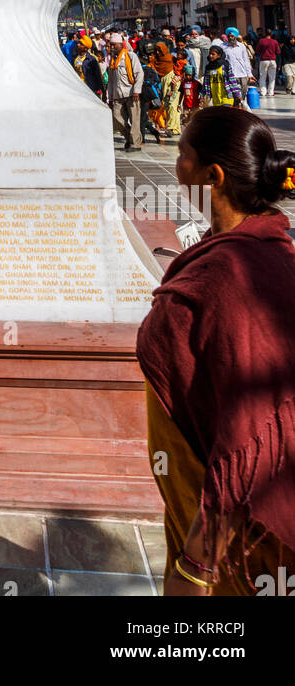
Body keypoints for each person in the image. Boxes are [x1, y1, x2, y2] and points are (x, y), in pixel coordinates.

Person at [137, 108, 295, 595]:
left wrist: (196, 567)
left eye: (182, 153)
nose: (176, 163)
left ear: (213, 175)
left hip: (237, 548)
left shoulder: (229, 278)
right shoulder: (261, 248)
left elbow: (246, 444)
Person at [107, 32, 144, 151]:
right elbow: (112, 80)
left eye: (114, 45)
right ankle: (130, 138)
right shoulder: (113, 60)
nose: (112, 47)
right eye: (110, 45)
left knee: (134, 120)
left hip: (131, 94)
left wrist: (137, 91)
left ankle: (135, 144)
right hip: (118, 95)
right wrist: (110, 97)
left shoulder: (130, 56)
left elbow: (139, 74)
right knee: (116, 117)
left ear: (120, 44)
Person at [223, 29, 253, 104]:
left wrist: (249, 74)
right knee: (234, 94)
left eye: (232, 36)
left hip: (242, 73)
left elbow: (246, 60)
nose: (230, 38)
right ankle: (236, 106)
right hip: (231, 74)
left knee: (243, 91)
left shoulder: (242, 46)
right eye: (229, 36)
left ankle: (241, 105)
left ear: (235, 36)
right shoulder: (223, 47)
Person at [73, 34, 105, 99]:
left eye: (81, 44)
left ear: (85, 48)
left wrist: (102, 91)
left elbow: (98, 75)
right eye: (79, 43)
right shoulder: (75, 59)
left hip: (90, 90)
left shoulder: (92, 59)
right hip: (79, 90)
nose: (78, 45)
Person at [256, 27, 281, 98]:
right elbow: (278, 52)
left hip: (263, 60)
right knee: (272, 77)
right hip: (272, 60)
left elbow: (257, 50)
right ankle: (271, 92)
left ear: (265, 33)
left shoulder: (261, 41)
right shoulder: (275, 41)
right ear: (271, 34)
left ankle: (263, 92)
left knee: (262, 76)